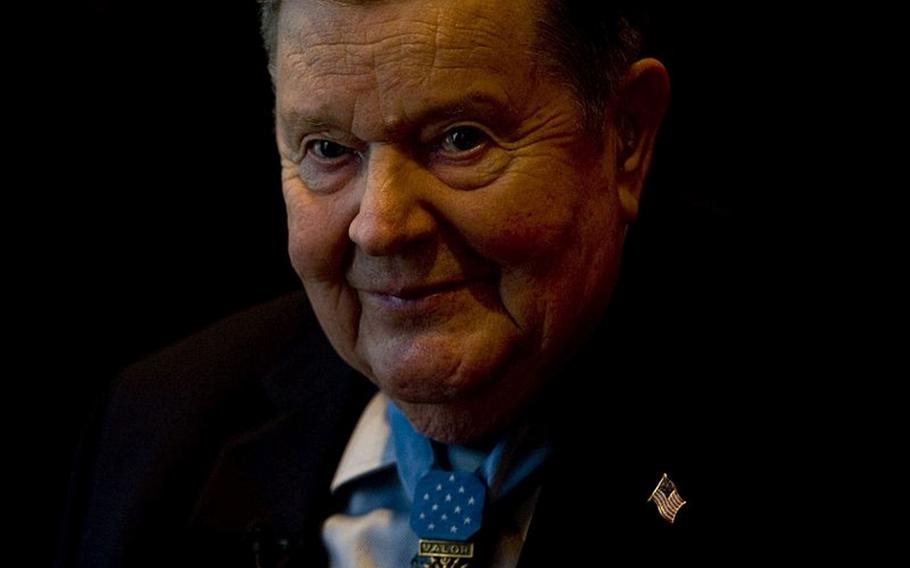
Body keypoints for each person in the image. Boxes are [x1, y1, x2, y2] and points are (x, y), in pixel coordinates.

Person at [58, 1, 757, 566]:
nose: (381, 227)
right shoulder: (156, 430)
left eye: (459, 139)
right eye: (328, 150)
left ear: (625, 138)